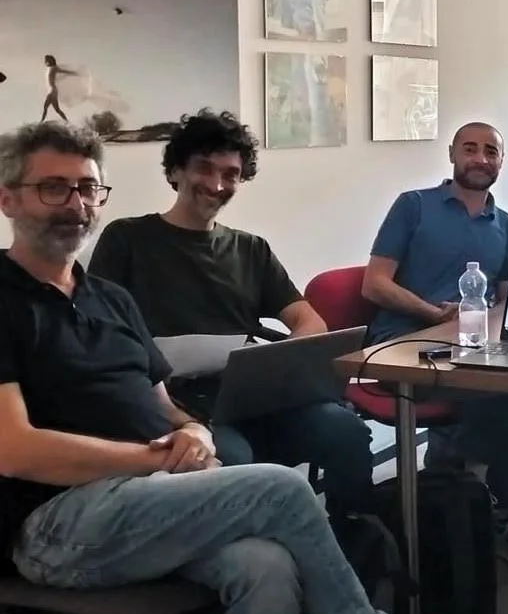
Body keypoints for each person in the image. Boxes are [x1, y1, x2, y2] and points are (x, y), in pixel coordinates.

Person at [0, 121, 441, 614]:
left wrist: (193, 432)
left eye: (88, 188)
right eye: (53, 188)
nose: (76, 203)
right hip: (57, 520)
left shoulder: (109, 299)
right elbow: (14, 450)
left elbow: (161, 403)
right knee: (281, 489)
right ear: (8, 200)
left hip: (150, 493)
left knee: (267, 567)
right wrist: (157, 458)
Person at [87, 109, 374, 518]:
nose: (217, 184)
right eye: (204, 168)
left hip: (252, 394)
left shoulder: (250, 249)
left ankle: (354, 535)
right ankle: (267, 548)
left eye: (231, 174)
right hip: (176, 400)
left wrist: (278, 367)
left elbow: (310, 321)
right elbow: (100, 331)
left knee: (346, 432)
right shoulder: (128, 239)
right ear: (176, 171)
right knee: (235, 461)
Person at [362, 121, 508, 573]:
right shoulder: (414, 206)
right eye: (470, 148)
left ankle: (460, 487)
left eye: (491, 151)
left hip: (468, 343)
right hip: (401, 343)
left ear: (502, 162)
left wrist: (487, 317)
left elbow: (505, 301)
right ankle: (506, 508)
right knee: (495, 387)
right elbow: (374, 284)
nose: (480, 158)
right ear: (452, 153)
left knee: (503, 376)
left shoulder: (506, 225)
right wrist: (435, 315)